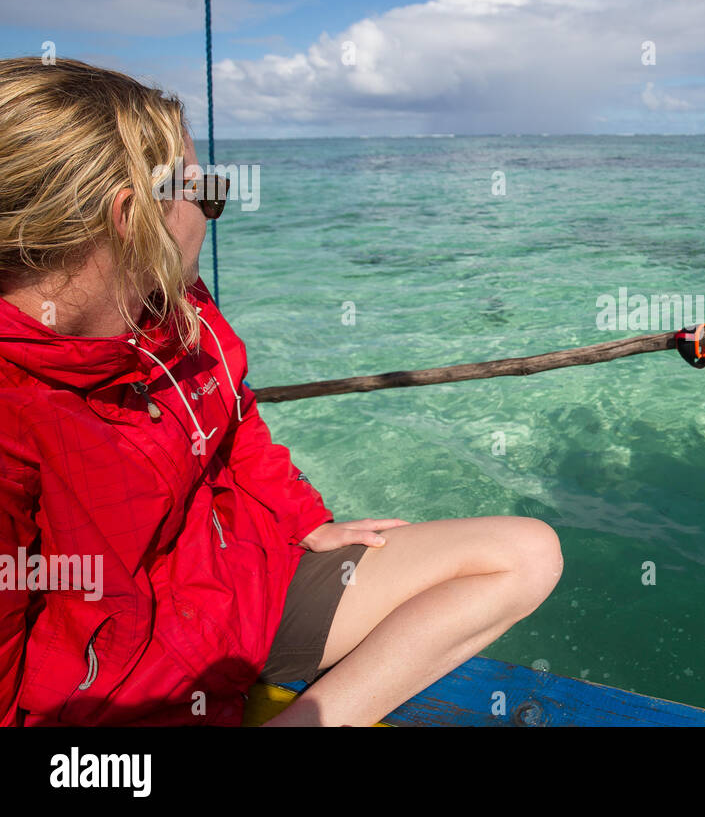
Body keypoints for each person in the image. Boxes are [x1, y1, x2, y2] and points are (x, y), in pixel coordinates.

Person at [0, 56, 563, 726]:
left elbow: (237, 422)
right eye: (201, 189)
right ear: (133, 218)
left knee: (526, 555)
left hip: (239, 587)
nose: (215, 204)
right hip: (122, 697)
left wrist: (303, 518)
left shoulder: (176, 306)